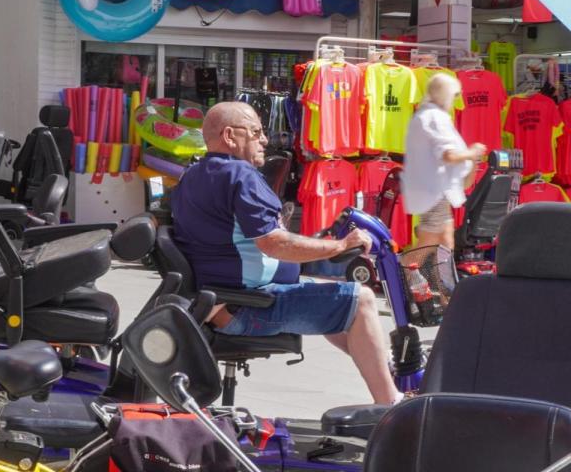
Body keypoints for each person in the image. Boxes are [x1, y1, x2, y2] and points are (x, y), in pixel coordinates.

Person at [171, 101, 399, 405]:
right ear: (229, 136)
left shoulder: (193, 175)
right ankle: (391, 404)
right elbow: (275, 244)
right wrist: (341, 246)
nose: (264, 140)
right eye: (255, 132)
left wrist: (321, 244)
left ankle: (385, 371)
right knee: (362, 300)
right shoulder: (241, 176)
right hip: (247, 306)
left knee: (331, 298)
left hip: (222, 302)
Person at [402, 73, 486, 250]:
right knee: (435, 242)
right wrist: (472, 153)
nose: (455, 100)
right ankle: (410, 275)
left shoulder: (426, 114)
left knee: (442, 241)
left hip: (433, 189)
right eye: (455, 95)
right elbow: (448, 155)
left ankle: (430, 276)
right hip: (434, 189)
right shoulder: (435, 117)